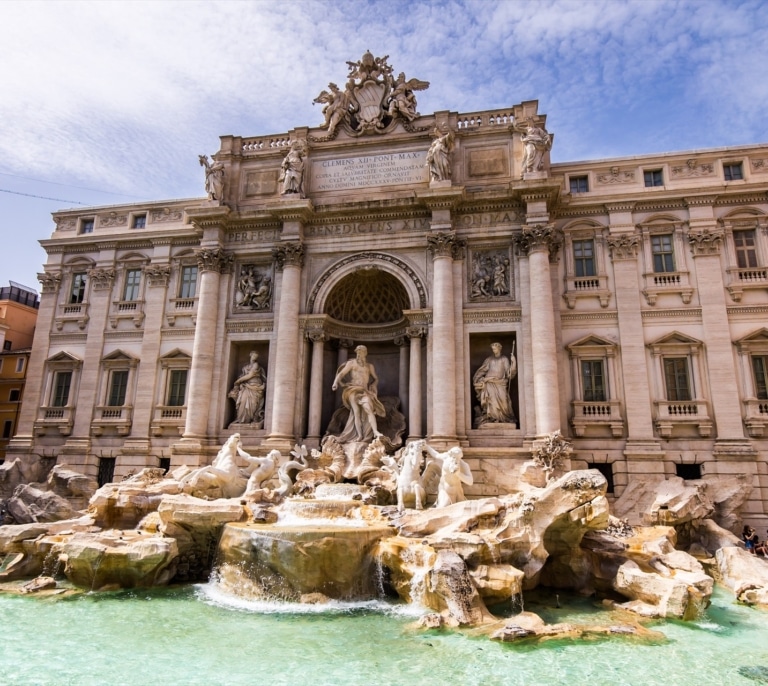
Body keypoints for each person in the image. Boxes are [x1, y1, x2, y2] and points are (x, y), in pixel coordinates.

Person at [331, 344, 386, 443]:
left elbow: (376, 378)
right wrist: (335, 383)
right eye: (358, 352)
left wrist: (373, 385)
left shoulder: (369, 366)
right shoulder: (351, 363)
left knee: (368, 409)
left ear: (365, 353)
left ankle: (375, 431)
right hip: (353, 389)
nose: (359, 354)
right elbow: (341, 374)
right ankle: (359, 435)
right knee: (356, 412)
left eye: (361, 352)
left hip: (364, 390)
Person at [473, 342, 517, 425]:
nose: (494, 350)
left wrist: (513, 362)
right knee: (491, 400)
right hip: (489, 383)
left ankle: (504, 418)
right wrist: (477, 379)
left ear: (499, 349)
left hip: (500, 383)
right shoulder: (489, 359)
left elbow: (509, 374)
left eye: (495, 349)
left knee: (504, 401)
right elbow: (482, 370)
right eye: (493, 349)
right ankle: (492, 418)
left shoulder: (504, 359)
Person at [229, 351, 267, 426]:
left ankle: (249, 420)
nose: (255, 357)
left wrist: (238, 381)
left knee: (253, 403)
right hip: (246, 386)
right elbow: (243, 375)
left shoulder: (256, 365)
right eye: (254, 356)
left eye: (256, 356)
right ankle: (241, 420)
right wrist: (240, 383)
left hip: (255, 386)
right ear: (250, 355)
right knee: (243, 401)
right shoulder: (245, 366)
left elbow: (250, 375)